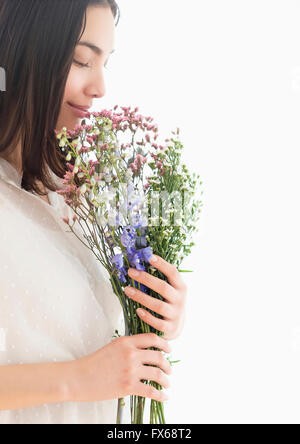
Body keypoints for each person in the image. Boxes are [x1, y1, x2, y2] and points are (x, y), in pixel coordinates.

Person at [0, 0, 187, 424]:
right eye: (81, 60)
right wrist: (78, 379)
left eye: (106, 63)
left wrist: (155, 318)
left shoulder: (81, 193)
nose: (101, 87)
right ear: (26, 54)